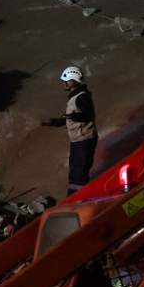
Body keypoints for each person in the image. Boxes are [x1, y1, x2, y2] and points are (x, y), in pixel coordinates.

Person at [42, 66, 98, 195]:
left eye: (65, 81)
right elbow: (72, 117)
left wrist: (71, 116)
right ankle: (75, 196)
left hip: (84, 140)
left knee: (79, 174)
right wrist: (53, 123)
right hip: (78, 141)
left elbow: (87, 115)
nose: (64, 83)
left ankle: (77, 198)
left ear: (73, 81)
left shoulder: (82, 97)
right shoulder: (75, 97)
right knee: (75, 173)